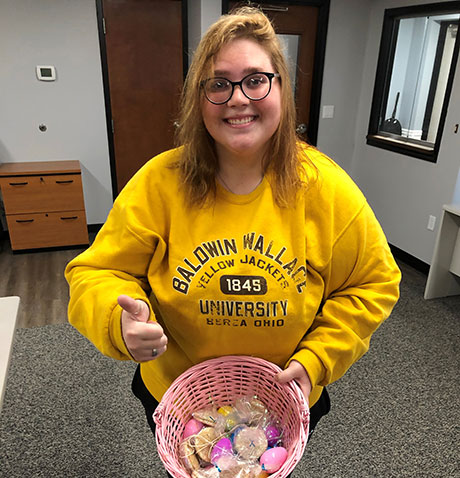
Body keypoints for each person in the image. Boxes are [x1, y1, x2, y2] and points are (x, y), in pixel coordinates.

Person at [65, 5, 401, 474]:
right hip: (183, 402)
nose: (238, 98)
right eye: (218, 83)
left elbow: (374, 283)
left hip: (285, 398)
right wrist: (116, 322)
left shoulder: (325, 188)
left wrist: (319, 358)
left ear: (281, 88)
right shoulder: (159, 183)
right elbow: (94, 272)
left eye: (256, 80)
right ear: (198, 98)